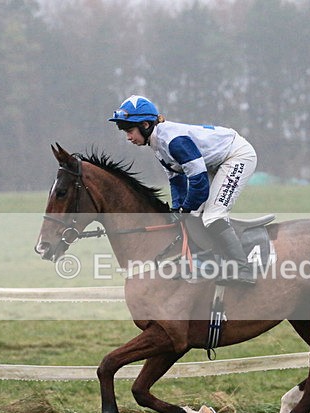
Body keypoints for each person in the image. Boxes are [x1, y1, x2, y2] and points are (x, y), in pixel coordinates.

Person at [109, 95, 257, 286]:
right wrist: (177, 208)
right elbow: (176, 179)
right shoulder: (157, 143)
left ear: (145, 125)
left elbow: (199, 183)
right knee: (195, 212)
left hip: (236, 156)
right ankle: (213, 261)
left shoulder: (174, 142)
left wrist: (185, 209)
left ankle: (242, 268)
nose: (128, 137)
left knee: (213, 215)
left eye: (129, 130)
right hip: (214, 162)